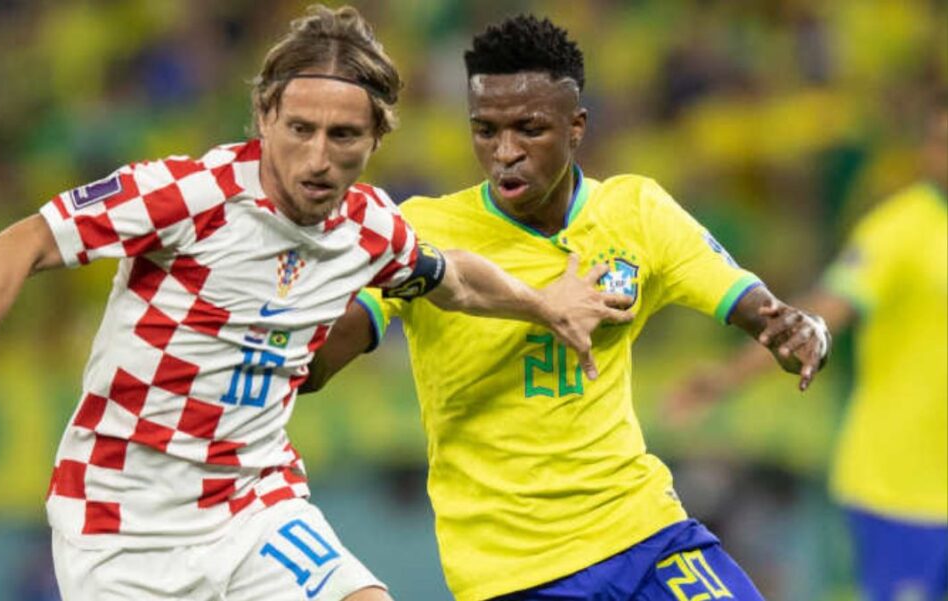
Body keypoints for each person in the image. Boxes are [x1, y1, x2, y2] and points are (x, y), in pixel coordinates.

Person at [0, 7, 622, 601]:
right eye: (300, 129)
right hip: (120, 519)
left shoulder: (369, 226)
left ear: (376, 137)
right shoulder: (189, 195)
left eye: (344, 135)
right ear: (265, 117)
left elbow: (454, 277)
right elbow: (21, 244)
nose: (318, 157)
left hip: (251, 502)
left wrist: (545, 305)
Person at [304, 15, 831, 601]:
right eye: (485, 130)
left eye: (529, 129)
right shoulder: (422, 231)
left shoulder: (636, 212)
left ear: (575, 126)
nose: (505, 152)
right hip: (513, 570)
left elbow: (757, 307)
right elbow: (317, 365)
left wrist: (800, 331)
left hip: (642, 530)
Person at [670, 104, 947, 601]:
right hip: (900, 488)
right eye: (938, 142)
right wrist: (728, 378)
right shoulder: (899, 229)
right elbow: (819, 317)